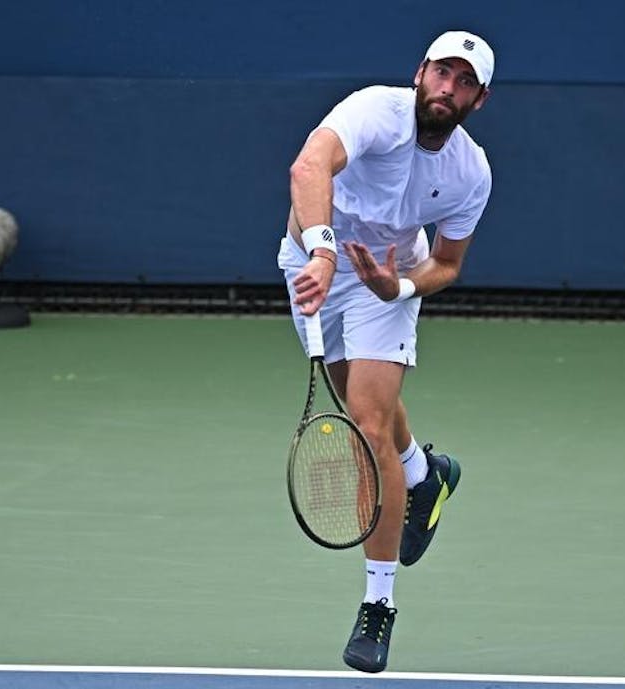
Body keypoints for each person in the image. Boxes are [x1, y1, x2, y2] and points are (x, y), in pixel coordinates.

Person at [277, 30, 495, 673]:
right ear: (420, 72)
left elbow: (448, 264)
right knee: (359, 401)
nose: (447, 89)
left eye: (464, 83)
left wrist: (396, 286)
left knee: (366, 426)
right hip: (311, 263)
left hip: (386, 280)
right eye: (441, 74)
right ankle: (425, 476)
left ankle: (379, 604)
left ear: (478, 100)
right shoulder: (375, 109)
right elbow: (309, 167)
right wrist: (322, 249)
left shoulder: (471, 172)